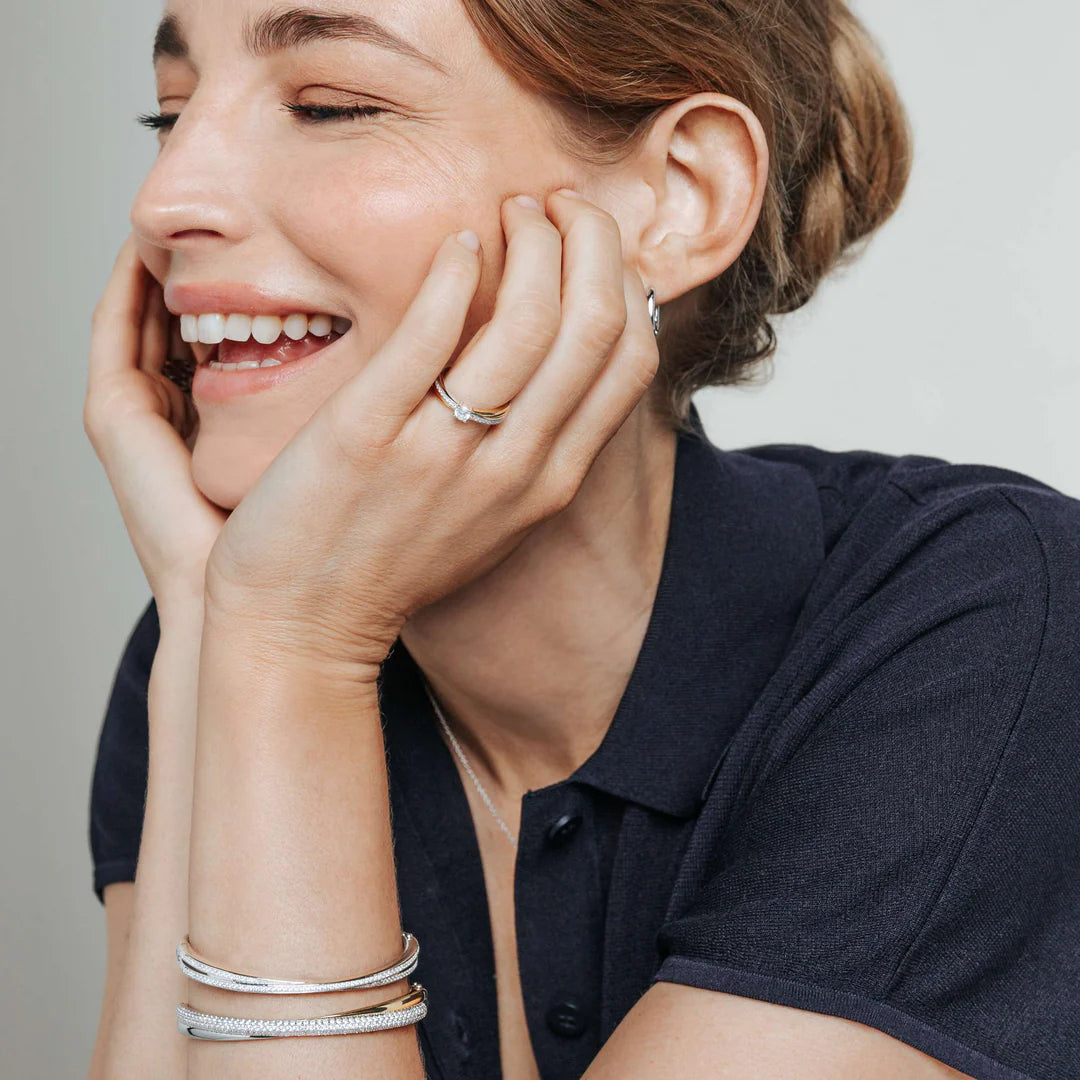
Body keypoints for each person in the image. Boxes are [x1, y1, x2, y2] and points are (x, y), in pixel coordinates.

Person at [83, 0, 1080, 1077]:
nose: (164, 198)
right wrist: (219, 633)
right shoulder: (232, 630)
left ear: (680, 198)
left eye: (332, 105)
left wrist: (289, 650)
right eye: (170, 114)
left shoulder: (988, 619)